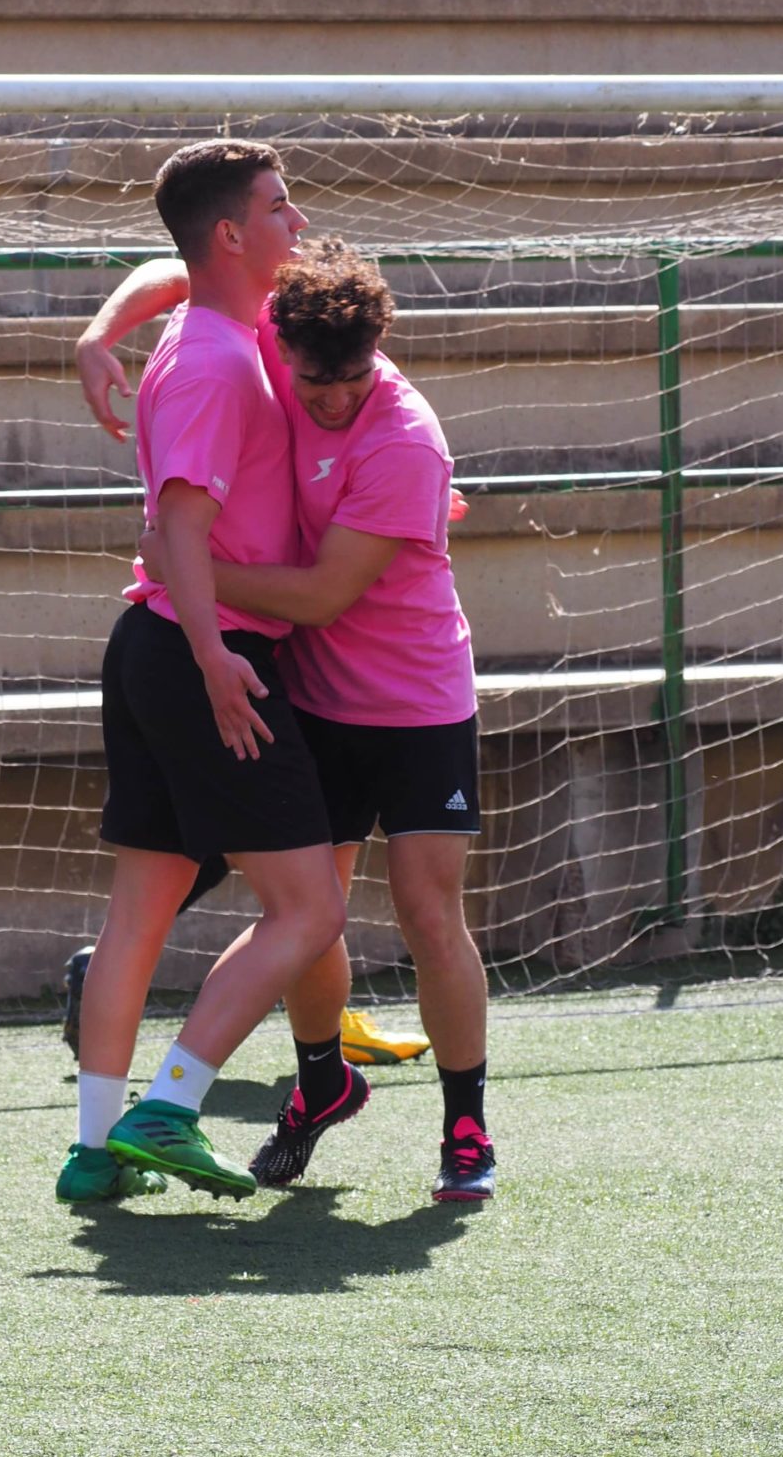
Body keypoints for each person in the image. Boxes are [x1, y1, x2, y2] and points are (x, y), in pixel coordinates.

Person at [78, 237, 496, 1207]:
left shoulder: (404, 439)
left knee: (431, 915)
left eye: (353, 380)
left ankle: (466, 1126)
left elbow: (318, 594)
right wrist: (101, 333)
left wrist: (179, 560)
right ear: (288, 345)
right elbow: (184, 270)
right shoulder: (271, 333)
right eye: (317, 381)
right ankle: (318, 1083)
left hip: (419, 702)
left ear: (377, 356)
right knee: (310, 914)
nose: (333, 399)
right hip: (314, 693)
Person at [59, 141, 350, 1207]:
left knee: (143, 905)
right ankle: (170, 1106)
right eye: (280, 207)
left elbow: (171, 268)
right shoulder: (222, 361)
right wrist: (216, 657)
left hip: (157, 643)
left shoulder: (213, 310)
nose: (299, 218)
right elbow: (176, 523)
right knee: (308, 907)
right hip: (199, 651)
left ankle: (96, 1149)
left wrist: (98, 331)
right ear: (233, 232)